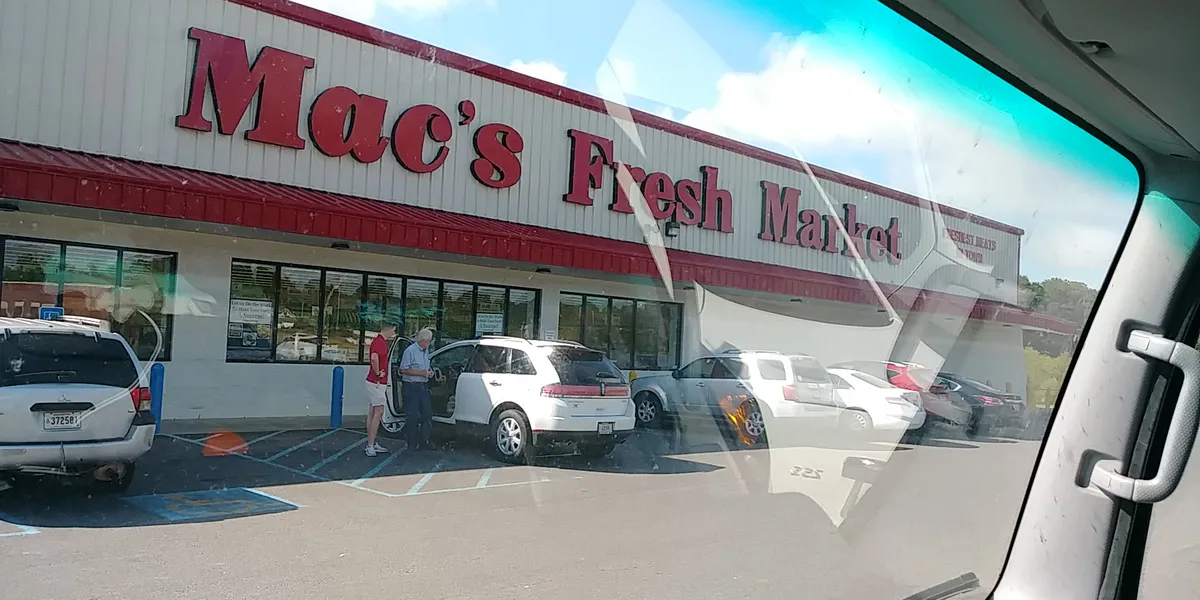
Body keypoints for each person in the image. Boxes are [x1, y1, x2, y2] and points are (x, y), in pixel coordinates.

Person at [364, 322, 398, 457]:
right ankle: (370, 445)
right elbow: (374, 358)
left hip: (375, 382)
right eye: (393, 331)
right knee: (378, 412)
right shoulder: (379, 342)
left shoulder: (379, 342)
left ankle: (372, 442)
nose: (393, 334)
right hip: (376, 382)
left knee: (373, 411)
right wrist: (378, 373)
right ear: (389, 329)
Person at [399, 328, 435, 451]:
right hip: (411, 386)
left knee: (427, 414)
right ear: (422, 340)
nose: (429, 343)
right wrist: (422, 373)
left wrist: (429, 373)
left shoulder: (426, 351)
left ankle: (425, 440)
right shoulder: (410, 351)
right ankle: (411, 443)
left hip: (423, 386)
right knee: (412, 415)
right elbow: (403, 369)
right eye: (428, 341)